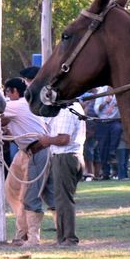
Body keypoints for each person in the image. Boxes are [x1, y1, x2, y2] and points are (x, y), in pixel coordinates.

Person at [1, 77, 52, 247]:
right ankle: (23, 234)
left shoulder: (14, 105)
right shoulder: (26, 105)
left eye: (7, 92)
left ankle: (33, 238)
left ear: (14, 91)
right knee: (26, 193)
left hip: (37, 151)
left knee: (31, 195)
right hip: (34, 151)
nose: (6, 96)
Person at [38, 101, 86, 246]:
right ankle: (62, 237)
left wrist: (47, 140)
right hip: (71, 156)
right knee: (62, 198)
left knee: (64, 199)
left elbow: (64, 139)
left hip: (65, 157)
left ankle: (68, 238)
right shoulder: (74, 107)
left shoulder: (66, 111)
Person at [93, 87, 122, 179]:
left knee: (117, 129)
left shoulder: (119, 88)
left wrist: (116, 104)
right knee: (102, 148)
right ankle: (105, 173)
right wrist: (105, 102)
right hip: (102, 122)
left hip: (115, 120)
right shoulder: (101, 92)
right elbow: (96, 110)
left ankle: (112, 152)